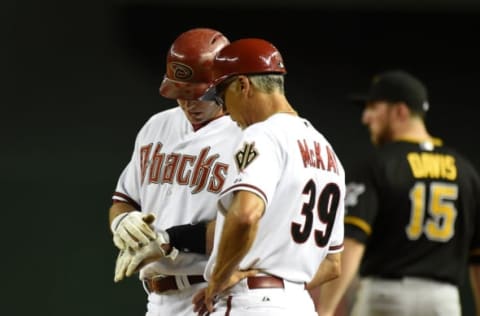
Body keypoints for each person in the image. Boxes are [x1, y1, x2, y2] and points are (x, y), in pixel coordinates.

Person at [191, 38, 346, 316]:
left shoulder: (262, 135)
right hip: (299, 305)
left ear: (242, 85)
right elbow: (333, 264)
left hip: (248, 305)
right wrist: (280, 288)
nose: (223, 109)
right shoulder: (329, 153)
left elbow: (245, 215)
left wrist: (219, 279)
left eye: (221, 95)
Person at [316, 70, 480, 316]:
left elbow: (352, 242)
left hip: (386, 298)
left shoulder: (378, 164)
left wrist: (325, 309)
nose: (366, 118)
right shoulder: (465, 172)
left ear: (400, 111)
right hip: (444, 302)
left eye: (373, 107)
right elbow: (477, 257)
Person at [108, 27, 243, 316]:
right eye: (180, 93)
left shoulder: (247, 135)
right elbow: (124, 199)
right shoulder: (156, 126)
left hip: (215, 294)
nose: (187, 102)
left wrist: (171, 239)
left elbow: (250, 227)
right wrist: (121, 222)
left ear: (223, 85)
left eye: (197, 94)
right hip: (158, 298)